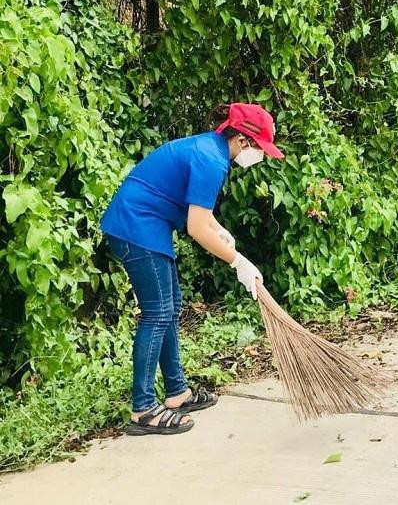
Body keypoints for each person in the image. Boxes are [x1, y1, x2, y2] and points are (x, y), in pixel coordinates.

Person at [100, 103, 284, 436]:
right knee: (157, 314)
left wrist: (219, 230)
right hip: (135, 228)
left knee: (169, 310)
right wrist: (236, 260)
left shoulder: (210, 149)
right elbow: (196, 228)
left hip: (147, 227)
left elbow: (199, 213)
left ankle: (177, 393)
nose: (259, 158)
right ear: (243, 141)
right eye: (260, 150)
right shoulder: (212, 160)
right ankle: (143, 410)